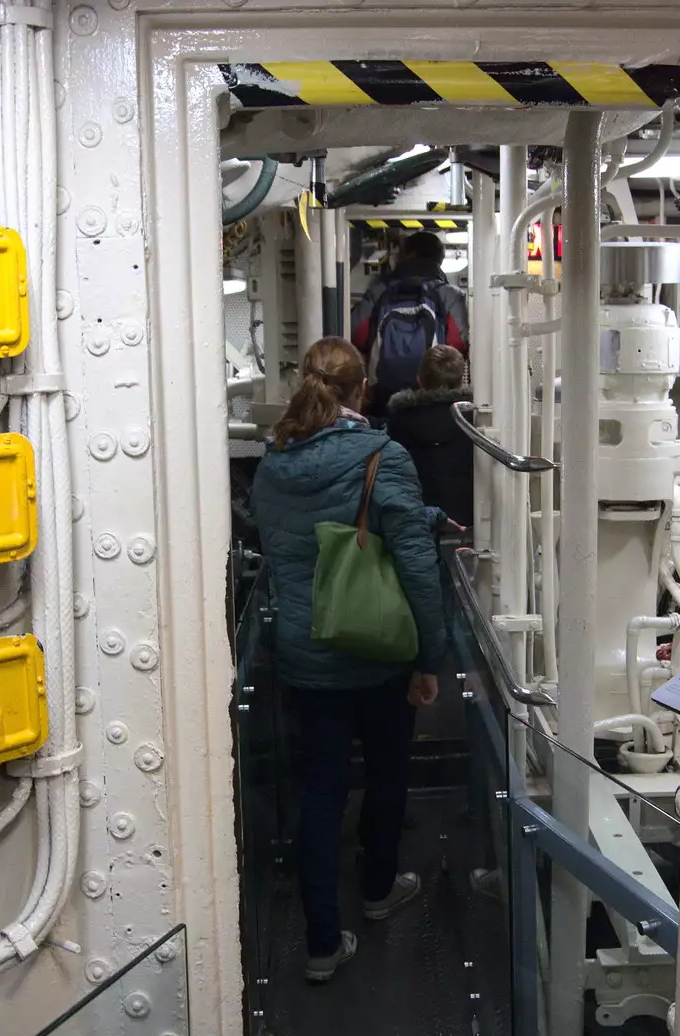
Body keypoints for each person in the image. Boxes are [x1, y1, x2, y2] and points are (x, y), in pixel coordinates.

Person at [249, 336, 446, 984]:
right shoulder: (381, 456)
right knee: (387, 775)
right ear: (362, 390)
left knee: (321, 791)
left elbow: (281, 538)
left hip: (306, 655)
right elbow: (414, 560)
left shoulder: (274, 461)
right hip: (376, 652)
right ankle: (379, 889)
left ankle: (322, 943)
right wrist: (428, 654)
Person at [350, 231, 470, 420]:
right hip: (435, 395)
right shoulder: (450, 295)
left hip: (384, 397)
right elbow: (458, 343)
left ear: (409, 254)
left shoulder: (379, 291)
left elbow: (357, 334)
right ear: (438, 260)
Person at [386, 345, 474, 530]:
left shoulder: (400, 419)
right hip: (468, 517)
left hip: (416, 518)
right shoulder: (473, 419)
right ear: (460, 380)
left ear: (419, 379)